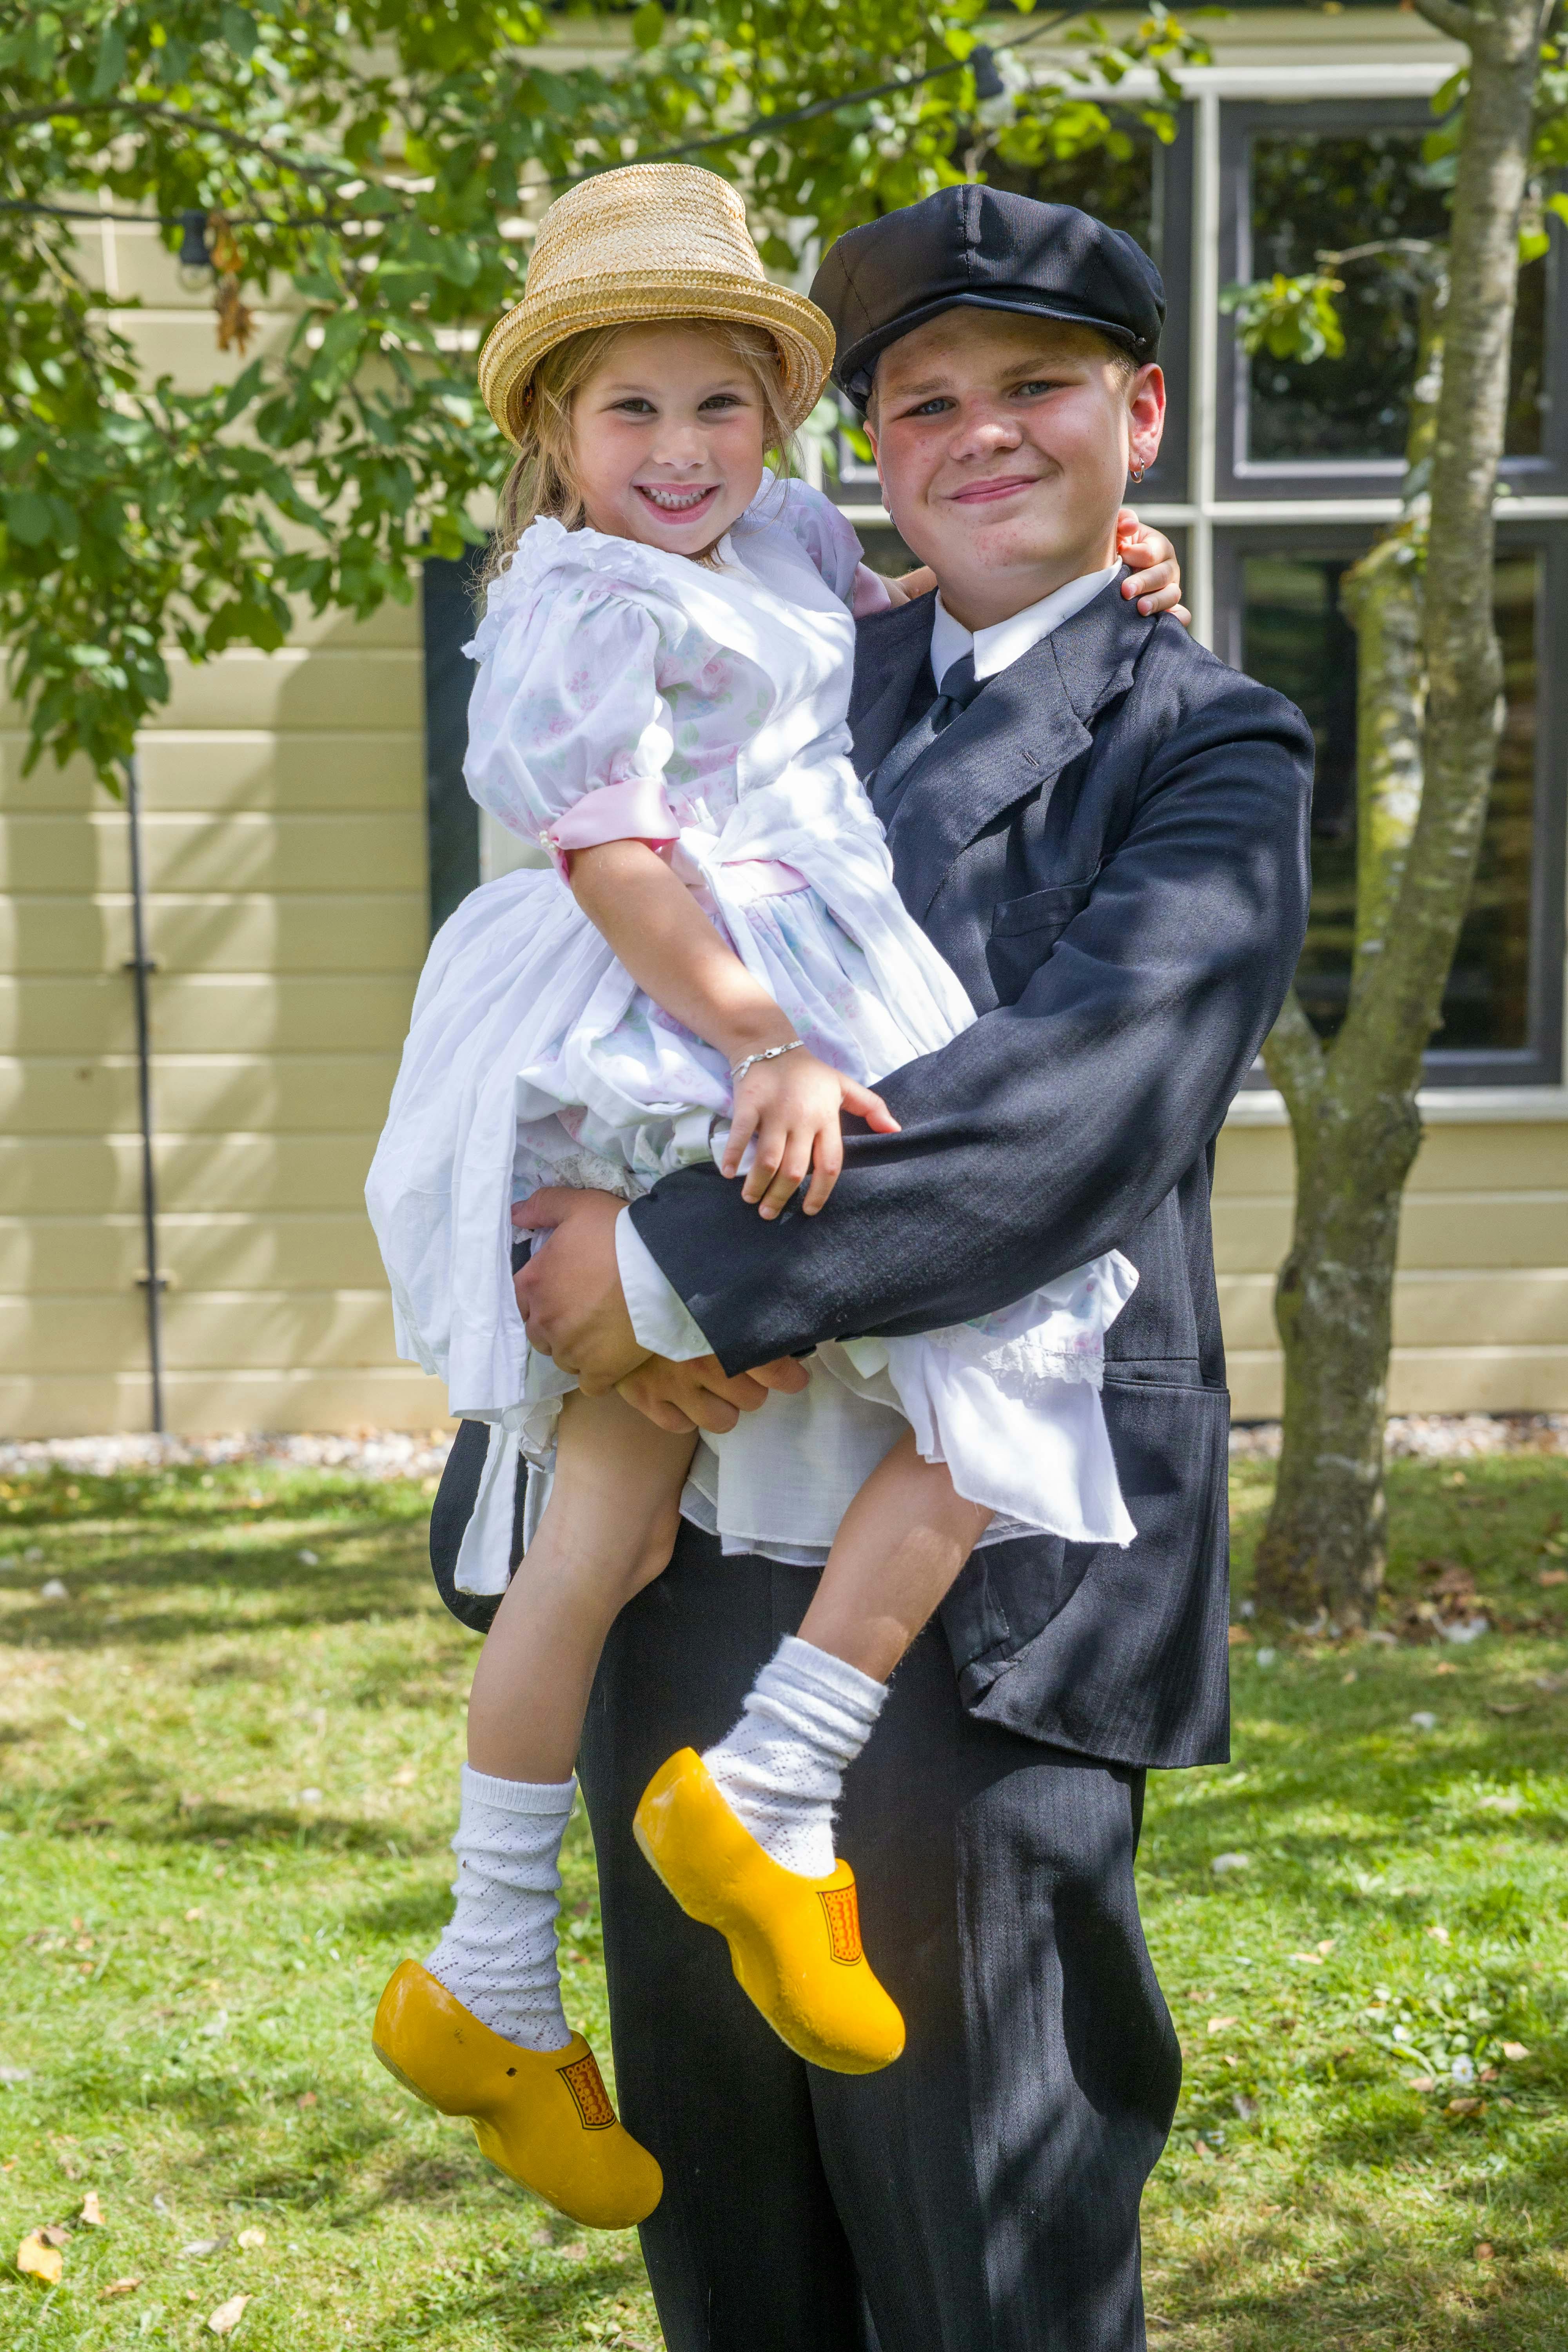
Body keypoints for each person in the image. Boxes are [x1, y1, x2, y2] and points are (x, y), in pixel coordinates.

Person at [439, 181, 1315, 2350]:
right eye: (930, 401)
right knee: (733, 2232)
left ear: (1143, 410)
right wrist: (565, 1262)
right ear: (871, 447)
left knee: (974, 2222)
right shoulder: (772, 642)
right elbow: (582, 972)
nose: (984, 435)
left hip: (971, 1592)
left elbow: (1068, 1121)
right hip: (693, 1542)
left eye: (1038, 391)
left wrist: (657, 1277)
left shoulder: (1206, 741)